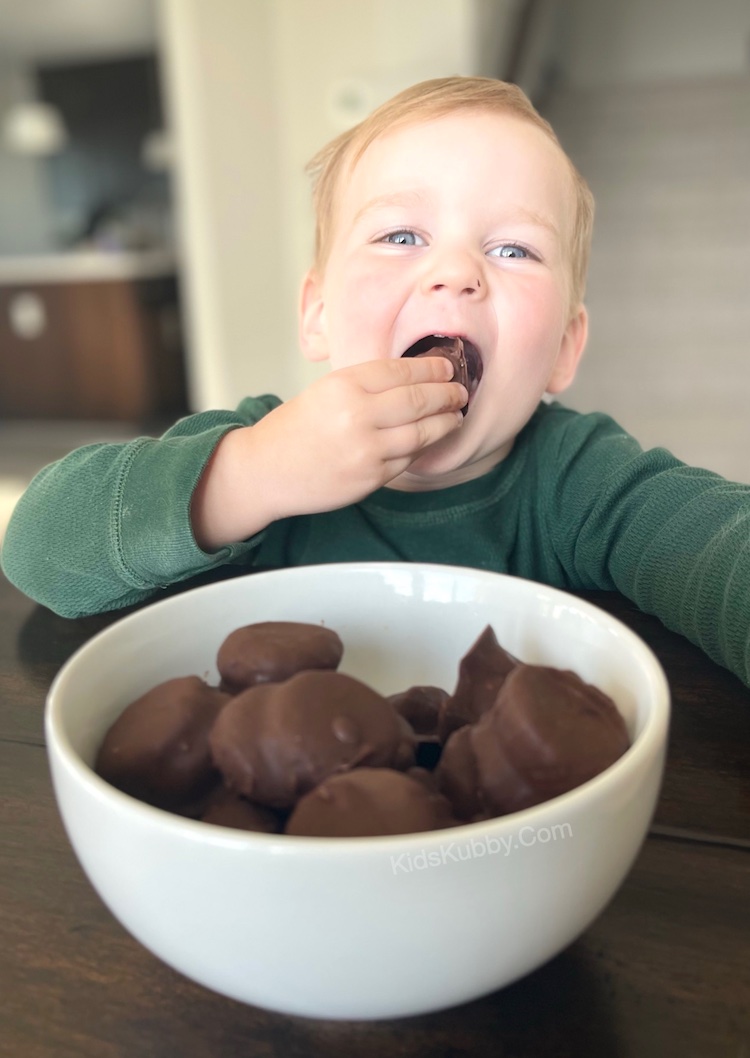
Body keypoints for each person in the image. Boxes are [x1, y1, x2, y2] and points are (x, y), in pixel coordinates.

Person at [2, 77, 749, 688]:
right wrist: (244, 479)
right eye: (401, 236)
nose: (456, 272)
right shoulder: (261, 455)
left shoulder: (580, 480)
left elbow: (719, 555)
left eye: (514, 248)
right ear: (318, 315)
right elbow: (36, 551)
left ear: (564, 347)